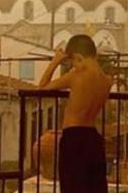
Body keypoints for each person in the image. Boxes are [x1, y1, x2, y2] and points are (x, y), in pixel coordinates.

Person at [38, 34, 112, 193]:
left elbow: (41, 88)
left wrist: (55, 62)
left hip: (73, 139)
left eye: (72, 61)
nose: (72, 66)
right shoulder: (107, 81)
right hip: (94, 139)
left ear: (78, 57)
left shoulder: (77, 76)